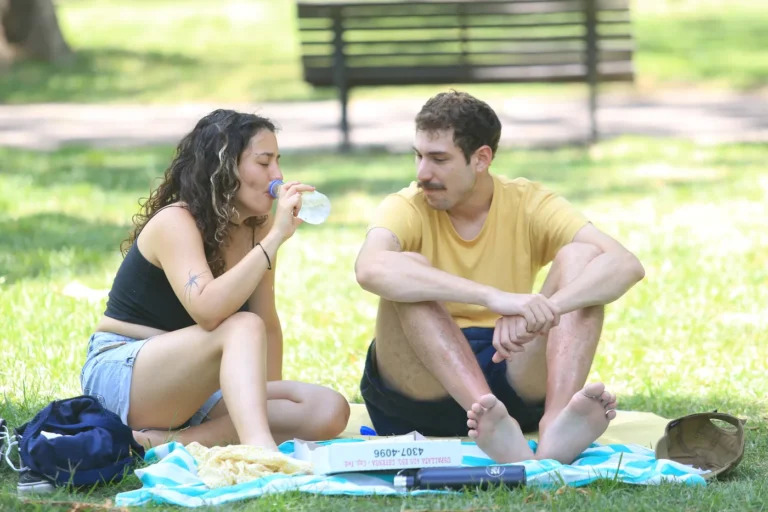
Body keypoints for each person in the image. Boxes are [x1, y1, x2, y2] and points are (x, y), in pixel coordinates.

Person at [354, 91, 645, 464]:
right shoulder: (405, 206)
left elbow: (625, 264)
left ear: (481, 159)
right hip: (418, 392)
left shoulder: (528, 203)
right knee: (406, 269)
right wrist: (493, 297)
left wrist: (544, 310)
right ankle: (487, 414)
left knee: (582, 256)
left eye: (439, 159)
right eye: (419, 155)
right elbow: (369, 268)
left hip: (512, 368)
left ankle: (555, 425)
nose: (422, 173)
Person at [80, 109, 350, 450]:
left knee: (327, 410)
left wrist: (257, 404)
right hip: (126, 373)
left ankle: (160, 443)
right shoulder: (176, 222)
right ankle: (261, 454)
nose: (278, 175)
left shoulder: (258, 229)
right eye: (264, 162)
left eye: (278, 161)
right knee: (241, 325)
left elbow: (267, 324)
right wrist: (275, 239)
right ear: (225, 166)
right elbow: (209, 311)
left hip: (196, 385)